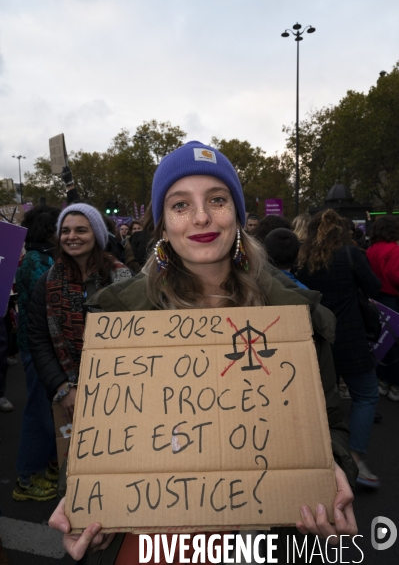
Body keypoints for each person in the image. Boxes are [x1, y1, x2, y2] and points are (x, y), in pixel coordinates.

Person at [49, 143, 357, 564]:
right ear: (162, 225)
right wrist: (84, 505)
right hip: (154, 540)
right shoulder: (120, 316)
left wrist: (332, 469)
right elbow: (99, 434)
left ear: (238, 214)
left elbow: (333, 422)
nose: (201, 217)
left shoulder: (293, 315)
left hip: (263, 534)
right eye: (180, 205)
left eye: (217, 199)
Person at [296, 210, 382, 488]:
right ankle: (354, 459)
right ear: (342, 231)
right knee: (366, 395)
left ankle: (320, 462)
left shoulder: (302, 259)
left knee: (318, 403)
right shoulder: (350, 255)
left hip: (316, 338)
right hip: (351, 338)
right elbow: (374, 287)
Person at [28, 204, 132, 422]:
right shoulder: (46, 282)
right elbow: (39, 340)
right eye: (65, 231)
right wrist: (62, 386)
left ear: (96, 235)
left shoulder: (123, 278)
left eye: (81, 230)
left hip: (123, 388)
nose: (71, 236)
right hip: (70, 393)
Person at [13, 205, 61, 501]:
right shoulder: (35, 261)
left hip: (44, 347)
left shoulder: (42, 257)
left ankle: (50, 464)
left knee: (49, 411)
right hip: (36, 348)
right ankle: (25, 480)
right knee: (38, 413)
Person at [366, 215, 399, 401]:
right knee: (394, 344)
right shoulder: (394, 250)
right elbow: (396, 276)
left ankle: (381, 381)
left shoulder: (371, 249)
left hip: (375, 300)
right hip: (391, 299)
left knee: (380, 342)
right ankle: (394, 385)